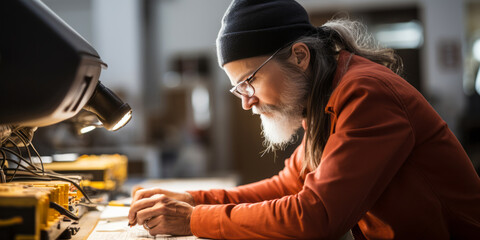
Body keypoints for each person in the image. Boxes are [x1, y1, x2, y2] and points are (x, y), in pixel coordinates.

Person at [128, 0, 480, 239]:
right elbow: (288, 186)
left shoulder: (366, 94)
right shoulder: (324, 99)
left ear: (299, 56)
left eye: (249, 81)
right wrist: (192, 199)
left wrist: (191, 219)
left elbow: (316, 216)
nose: (246, 102)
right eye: (238, 89)